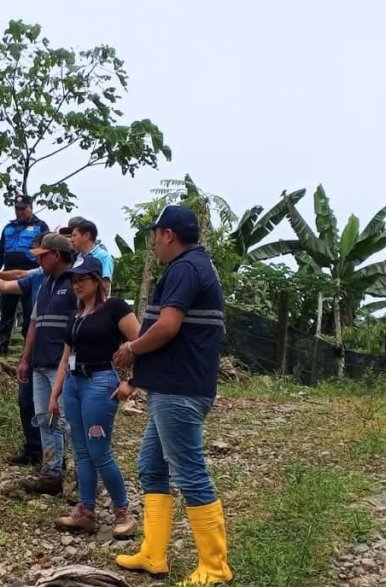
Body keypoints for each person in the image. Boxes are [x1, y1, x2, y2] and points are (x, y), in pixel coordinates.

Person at [111, 205, 232, 585]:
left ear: (167, 235)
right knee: (151, 466)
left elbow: (166, 327)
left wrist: (131, 350)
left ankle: (214, 566)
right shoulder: (199, 266)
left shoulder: (183, 268)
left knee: (190, 473)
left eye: (155, 235)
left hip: (179, 390)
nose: (154, 243)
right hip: (174, 387)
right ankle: (153, 554)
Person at [0, 232, 74, 495]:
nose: (39, 262)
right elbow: (29, 317)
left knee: (67, 421)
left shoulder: (77, 282)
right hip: (40, 362)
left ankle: (77, 476)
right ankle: (51, 473)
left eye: (42, 256)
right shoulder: (41, 281)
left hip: (64, 364)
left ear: (56, 255)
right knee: (44, 419)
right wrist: (26, 359)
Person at [47, 253, 139, 537]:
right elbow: (65, 358)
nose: (77, 284)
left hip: (100, 382)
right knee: (82, 451)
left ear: (97, 281)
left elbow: (142, 342)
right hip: (75, 384)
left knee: (99, 450)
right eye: (74, 280)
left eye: (83, 279)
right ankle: (85, 510)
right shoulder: (75, 316)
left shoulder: (115, 308)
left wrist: (133, 383)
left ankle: (123, 512)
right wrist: (55, 394)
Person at [0, 195, 50, 356]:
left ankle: (28, 351)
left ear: (31, 207)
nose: (20, 212)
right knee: (6, 313)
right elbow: (0, 252)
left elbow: (47, 250)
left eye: (23, 209)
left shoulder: (40, 226)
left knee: (30, 313)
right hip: (8, 274)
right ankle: (1, 349)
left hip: (30, 275)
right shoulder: (8, 228)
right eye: (17, 209)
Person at [64, 216, 115, 293]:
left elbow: (105, 286)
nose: (71, 240)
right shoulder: (75, 257)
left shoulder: (104, 256)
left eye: (74, 235)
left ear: (86, 235)